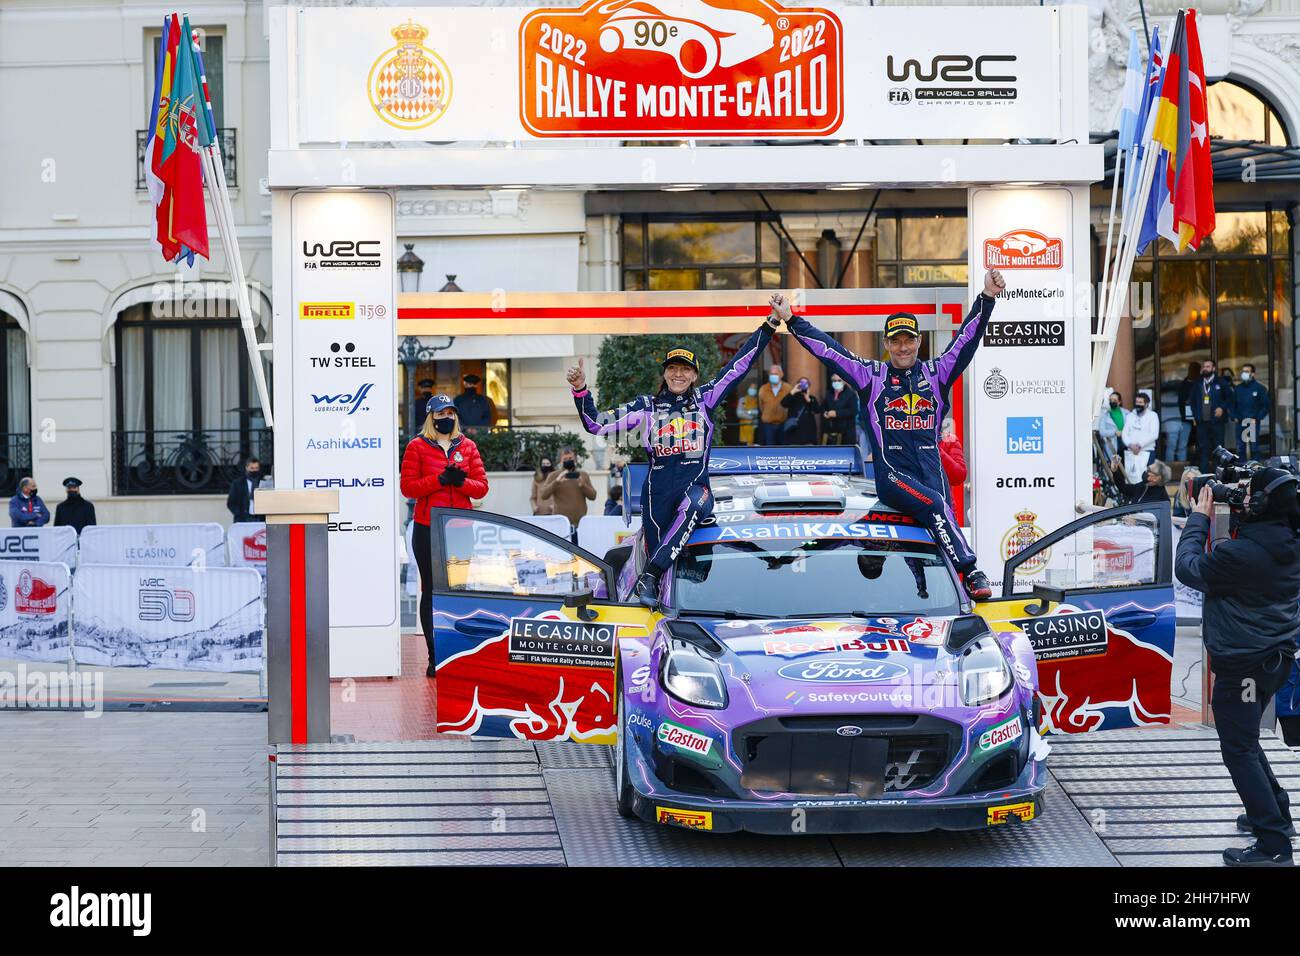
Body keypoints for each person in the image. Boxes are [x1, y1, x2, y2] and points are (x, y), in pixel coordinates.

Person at [782, 269, 1005, 600]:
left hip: (932, 473)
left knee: (939, 526)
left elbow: (967, 340)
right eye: (896, 340)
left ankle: (929, 594)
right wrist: (792, 320)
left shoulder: (938, 372)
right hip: (894, 474)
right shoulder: (872, 376)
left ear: (919, 341)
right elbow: (829, 350)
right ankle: (971, 569)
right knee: (937, 508)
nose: (903, 347)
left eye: (909, 340)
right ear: (886, 343)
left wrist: (987, 297)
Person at [567, 306, 779, 606]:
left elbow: (739, 365)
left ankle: (650, 576)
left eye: (685, 369)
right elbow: (596, 424)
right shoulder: (646, 406)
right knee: (664, 564)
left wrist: (769, 325)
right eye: (672, 368)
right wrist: (581, 391)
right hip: (657, 496)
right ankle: (656, 594)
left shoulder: (706, 399)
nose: (678, 374)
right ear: (665, 373)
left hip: (697, 489)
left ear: (694, 375)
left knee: (693, 506)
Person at [1175, 470, 1300, 866]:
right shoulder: (1287, 541)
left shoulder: (1240, 555)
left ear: (1260, 506)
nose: (1241, 499)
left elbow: (1188, 567)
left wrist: (1198, 518)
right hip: (1272, 660)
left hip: (1244, 667)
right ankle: (1274, 813)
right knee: (1246, 741)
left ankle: (1274, 844)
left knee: (1239, 748)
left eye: (1248, 495)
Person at [400, 394, 490, 676]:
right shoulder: (416, 446)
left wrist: (461, 481)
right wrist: (438, 480)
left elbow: (481, 487)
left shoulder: (468, 446)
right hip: (428, 529)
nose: (445, 418)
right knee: (432, 590)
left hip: (460, 529)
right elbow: (408, 488)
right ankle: (434, 655)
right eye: (440, 414)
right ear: (430, 418)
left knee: (457, 592)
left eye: (450, 413)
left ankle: (456, 653)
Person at [539, 446, 597, 529]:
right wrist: (556, 482)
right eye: (565, 459)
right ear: (561, 461)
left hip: (580, 523)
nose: (568, 461)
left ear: (575, 460)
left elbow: (593, 496)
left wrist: (583, 485)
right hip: (560, 523)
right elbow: (544, 495)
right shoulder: (554, 475)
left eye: (570, 458)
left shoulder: (583, 475)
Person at [1193, 359, 1231, 472]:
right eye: (1204, 366)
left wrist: (1222, 408)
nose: (1205, 368)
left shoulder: (1221, 382)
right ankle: (1203, 475)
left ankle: (1218, 474)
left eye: (1208, 366)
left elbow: (1230, 398)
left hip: (1217, 422)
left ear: (1213, 369)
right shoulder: (1198, 383)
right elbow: (1192, 401)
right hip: (1202, 423)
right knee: (1203, 449)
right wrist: (1196, 416)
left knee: (1219, 449)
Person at [1120, 391, 1159, 485]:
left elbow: (1154, 434)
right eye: (1137, 402)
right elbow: (1124, 433)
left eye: (1141, 402)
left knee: (1147, 479)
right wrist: (1130, 445)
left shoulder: (1153, 416)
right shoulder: (1130, 416)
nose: (1138, 404)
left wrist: (1139, 445)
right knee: (1131, 479)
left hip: (1147, 451)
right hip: (1131, 452)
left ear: (1146, 404)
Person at [1234, 363, 1270, 460]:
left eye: (1247, 371)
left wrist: (1257, 418)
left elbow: (1266, 406)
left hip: (1252, 422)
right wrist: (1234, 416)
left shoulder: (1259, 388)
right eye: (1243, 371)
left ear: (1252, 374)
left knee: (1254, 448)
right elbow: (1232, 405)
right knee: (1240, 448)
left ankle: (1256, 471)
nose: (1244, 373)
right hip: (1241, 422)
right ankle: (1241, 471)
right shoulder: (1238, 389)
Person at [757, 363, 791, 445]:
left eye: (776, 374)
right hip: (768, 425)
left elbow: (791, 405)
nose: (773, 376)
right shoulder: (763, 389)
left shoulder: (788, 388)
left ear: (781, 374)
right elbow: (761, 406)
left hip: (784, 424)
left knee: (784, 450)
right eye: (771, 374)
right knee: (770, 450)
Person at [821, 372, 859, 445]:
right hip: (831, 433)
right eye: (834, 381)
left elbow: (854, 410)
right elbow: (823, 407)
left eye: (839, 380)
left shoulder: (851, 394)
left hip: (846, 433)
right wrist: (825, 413)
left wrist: (836, 413)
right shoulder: (828, 393)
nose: (836, 382)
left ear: (844, 381)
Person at [780, 377, 821, 444]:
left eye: (805, 383)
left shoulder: (812, 398)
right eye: (801, 383)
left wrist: (808, 400)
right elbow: (783, 404)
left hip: (808, 433)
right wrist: (793, 391)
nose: (803, 385)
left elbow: (817, 410)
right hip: (794, 433)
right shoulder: (793, 396)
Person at [226, 457, 262, 524]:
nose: (254, 470)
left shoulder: (263, 483)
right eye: (252, 468)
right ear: (246, 468)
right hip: (243, 520)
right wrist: (239, 514)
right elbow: (231, 503)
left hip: (259, 519)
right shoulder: (237, 483)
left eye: (256, 468)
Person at [938, 417, 967, 500]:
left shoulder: (949, 439)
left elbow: (958, 477)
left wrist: (933, 447)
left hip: (943, 507)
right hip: (908, 508)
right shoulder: (902, 440)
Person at [1095, 390, 1126, 462]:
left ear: (1119, 402)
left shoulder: (1126, 413)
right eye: (1110, 400)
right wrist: (1115, 432)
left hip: (1125, 443)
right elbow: (1102, 432)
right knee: (1114, 467)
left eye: (1114, 400)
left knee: (1125, 466)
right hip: (1113, 444)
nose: (1112, 401)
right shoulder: (1105, 415)